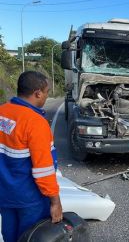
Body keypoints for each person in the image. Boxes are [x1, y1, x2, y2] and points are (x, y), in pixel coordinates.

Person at [0, 71, 62, 242]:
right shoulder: (35, 122)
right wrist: (55, 202)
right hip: (30, 199)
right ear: (38, 93)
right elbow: (43, 170)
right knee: (31, 237)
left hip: (4, 195)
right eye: (47, 91)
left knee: (10, 237)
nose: (46, 95)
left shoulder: (2, 112)